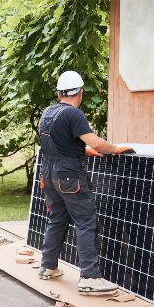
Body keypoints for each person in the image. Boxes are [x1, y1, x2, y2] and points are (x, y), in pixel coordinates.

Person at [37, 70, 133, 293]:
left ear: (60, 92)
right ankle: (90, 277)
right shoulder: (73, 114)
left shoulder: (47, 113)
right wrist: (114, 149)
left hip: (49, 172)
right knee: (85, 221)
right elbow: (96, 142)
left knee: (57, 218)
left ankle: (48, 267)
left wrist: (83, 150)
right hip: (69, 175)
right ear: (80, 92)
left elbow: (57, 144)